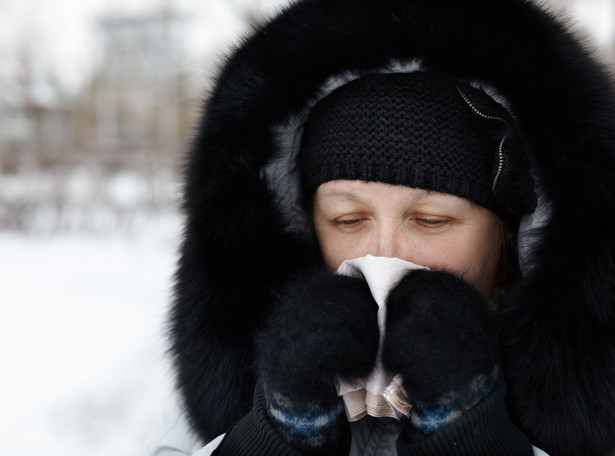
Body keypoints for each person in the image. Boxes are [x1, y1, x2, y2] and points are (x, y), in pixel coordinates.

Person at [165, 0, 615, 455]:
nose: (384, 254)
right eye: (349, 220)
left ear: (509, 242)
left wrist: (477, 438)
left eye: (430, 220)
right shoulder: (211, 421)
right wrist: (275, 436)